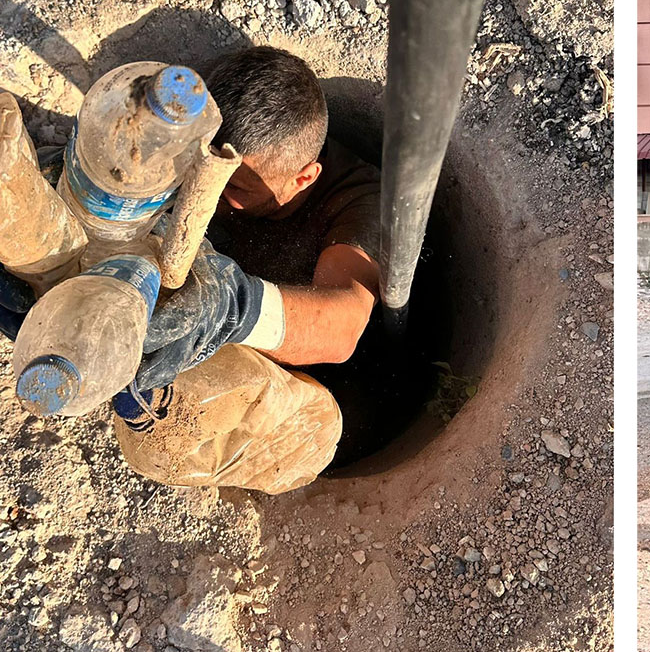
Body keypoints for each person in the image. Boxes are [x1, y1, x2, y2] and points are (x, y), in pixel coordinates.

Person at [1, 46, 383, 494]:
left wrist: (229, 308)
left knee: (189, 426)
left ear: (303, 178)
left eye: (233, 188)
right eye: (197, 174)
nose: (203, 197)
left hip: (300, 389)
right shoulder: (186, 140)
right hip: (167, 318)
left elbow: (341, 330)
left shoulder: (360, 201)